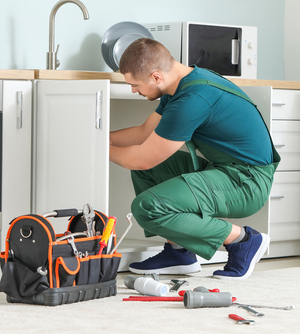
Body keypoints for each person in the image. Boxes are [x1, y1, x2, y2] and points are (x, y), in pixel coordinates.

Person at [109, 38, 280, 279]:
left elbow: (142, 159)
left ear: (156, 77)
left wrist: (101, 150)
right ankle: (179, 252)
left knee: (147, 208)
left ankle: (243, 240)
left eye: (135, 85)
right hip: (227, 169)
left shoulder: (193, 99)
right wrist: (101, 138)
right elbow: (143, 133)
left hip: (246, 182)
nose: (133, 91)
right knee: (148, 169)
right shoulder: (181, 84)